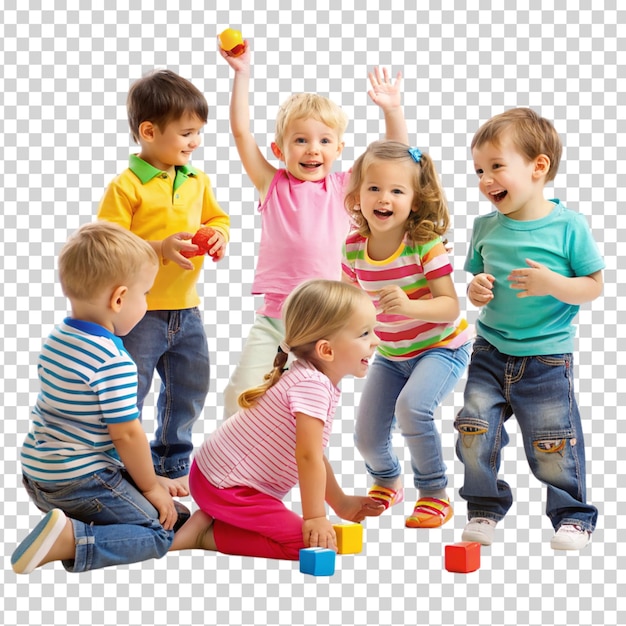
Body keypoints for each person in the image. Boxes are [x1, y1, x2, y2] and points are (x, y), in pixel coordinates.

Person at [219, 37, 408, 418]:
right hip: (276, 318)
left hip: (327, 320)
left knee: (309, 404)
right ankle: (231, 465)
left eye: (324, 141)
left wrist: (393, 110)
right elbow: (241, 133)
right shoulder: (271, 184)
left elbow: (396, 159)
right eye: (300, 140)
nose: (312, 149)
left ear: (339, 149)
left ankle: (300, 464)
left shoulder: (344, 187)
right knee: (241, 396)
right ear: (279, 149)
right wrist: (242, 74)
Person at [454, 107, 603, 550]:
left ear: (539, 167)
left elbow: (593, 286)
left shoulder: (569, 226)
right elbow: (479, 280)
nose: (485, 179)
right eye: (479, 169)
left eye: (497, 166)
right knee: (474, 430)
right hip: (490, 349)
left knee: (551, 442)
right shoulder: (485, 227)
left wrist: (553, 283)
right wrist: (478, 289)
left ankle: (573, 514)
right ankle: (483, 507)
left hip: (546, 356)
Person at [170, 279, 386, 560]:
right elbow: (307, 457)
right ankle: (206, 534)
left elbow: (315, 455)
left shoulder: (310, 377)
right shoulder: (312, 385)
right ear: (326, 350)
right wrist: (315, 517)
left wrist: (342, 504)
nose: (376, 341)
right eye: (365, 333)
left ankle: (216, 521)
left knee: (317, 539)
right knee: (312, 545)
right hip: (226, 489)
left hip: (213, 478)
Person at [12, 222, 181, 574]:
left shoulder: (58, 338)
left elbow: (89, 431)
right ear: (119, 298)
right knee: (161, 529)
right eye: (145, 294)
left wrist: (145, 479)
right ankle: (73, 540)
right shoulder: (112, 361)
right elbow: (126, 435)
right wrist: (150, 487)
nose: (146, 303)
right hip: (79, 482)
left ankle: (68, 523)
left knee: (167, 508)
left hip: (39, 476)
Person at [97, 69, 230, 494]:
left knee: (190, 386)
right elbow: (108, 242)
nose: (195, 143)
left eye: (199, 134)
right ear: (149, 131)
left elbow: (217, 217)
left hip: (187, 308)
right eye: (187, 133)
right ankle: (122, 466)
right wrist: (158, 247)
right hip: (140, 315)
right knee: (130, 390)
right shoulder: (128, 185)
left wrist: (219, 236)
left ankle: (172, 463)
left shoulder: (195, 179)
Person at [342, 140, 472, 529]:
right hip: (392, 354)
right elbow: (349, 304)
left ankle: (434, 494)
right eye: (374, 188)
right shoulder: (352, 248)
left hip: (442, 347)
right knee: (366, 437)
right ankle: (387, 480)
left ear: (414, 201)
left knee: (413, 408)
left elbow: (450, 306)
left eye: (397, 191)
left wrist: (410, 305)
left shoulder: (425, 246)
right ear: (358, 195)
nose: (384, 198)